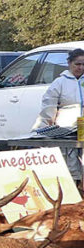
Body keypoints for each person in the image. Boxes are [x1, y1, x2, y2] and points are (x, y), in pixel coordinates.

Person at [33, 48, 84, 182]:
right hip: (66, 130)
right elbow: (48, 107)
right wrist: (41, 129)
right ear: (69, 63)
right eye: (77, 64)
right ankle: (72, 191)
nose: (81, 67)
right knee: (70, 164)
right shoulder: (59, 82)